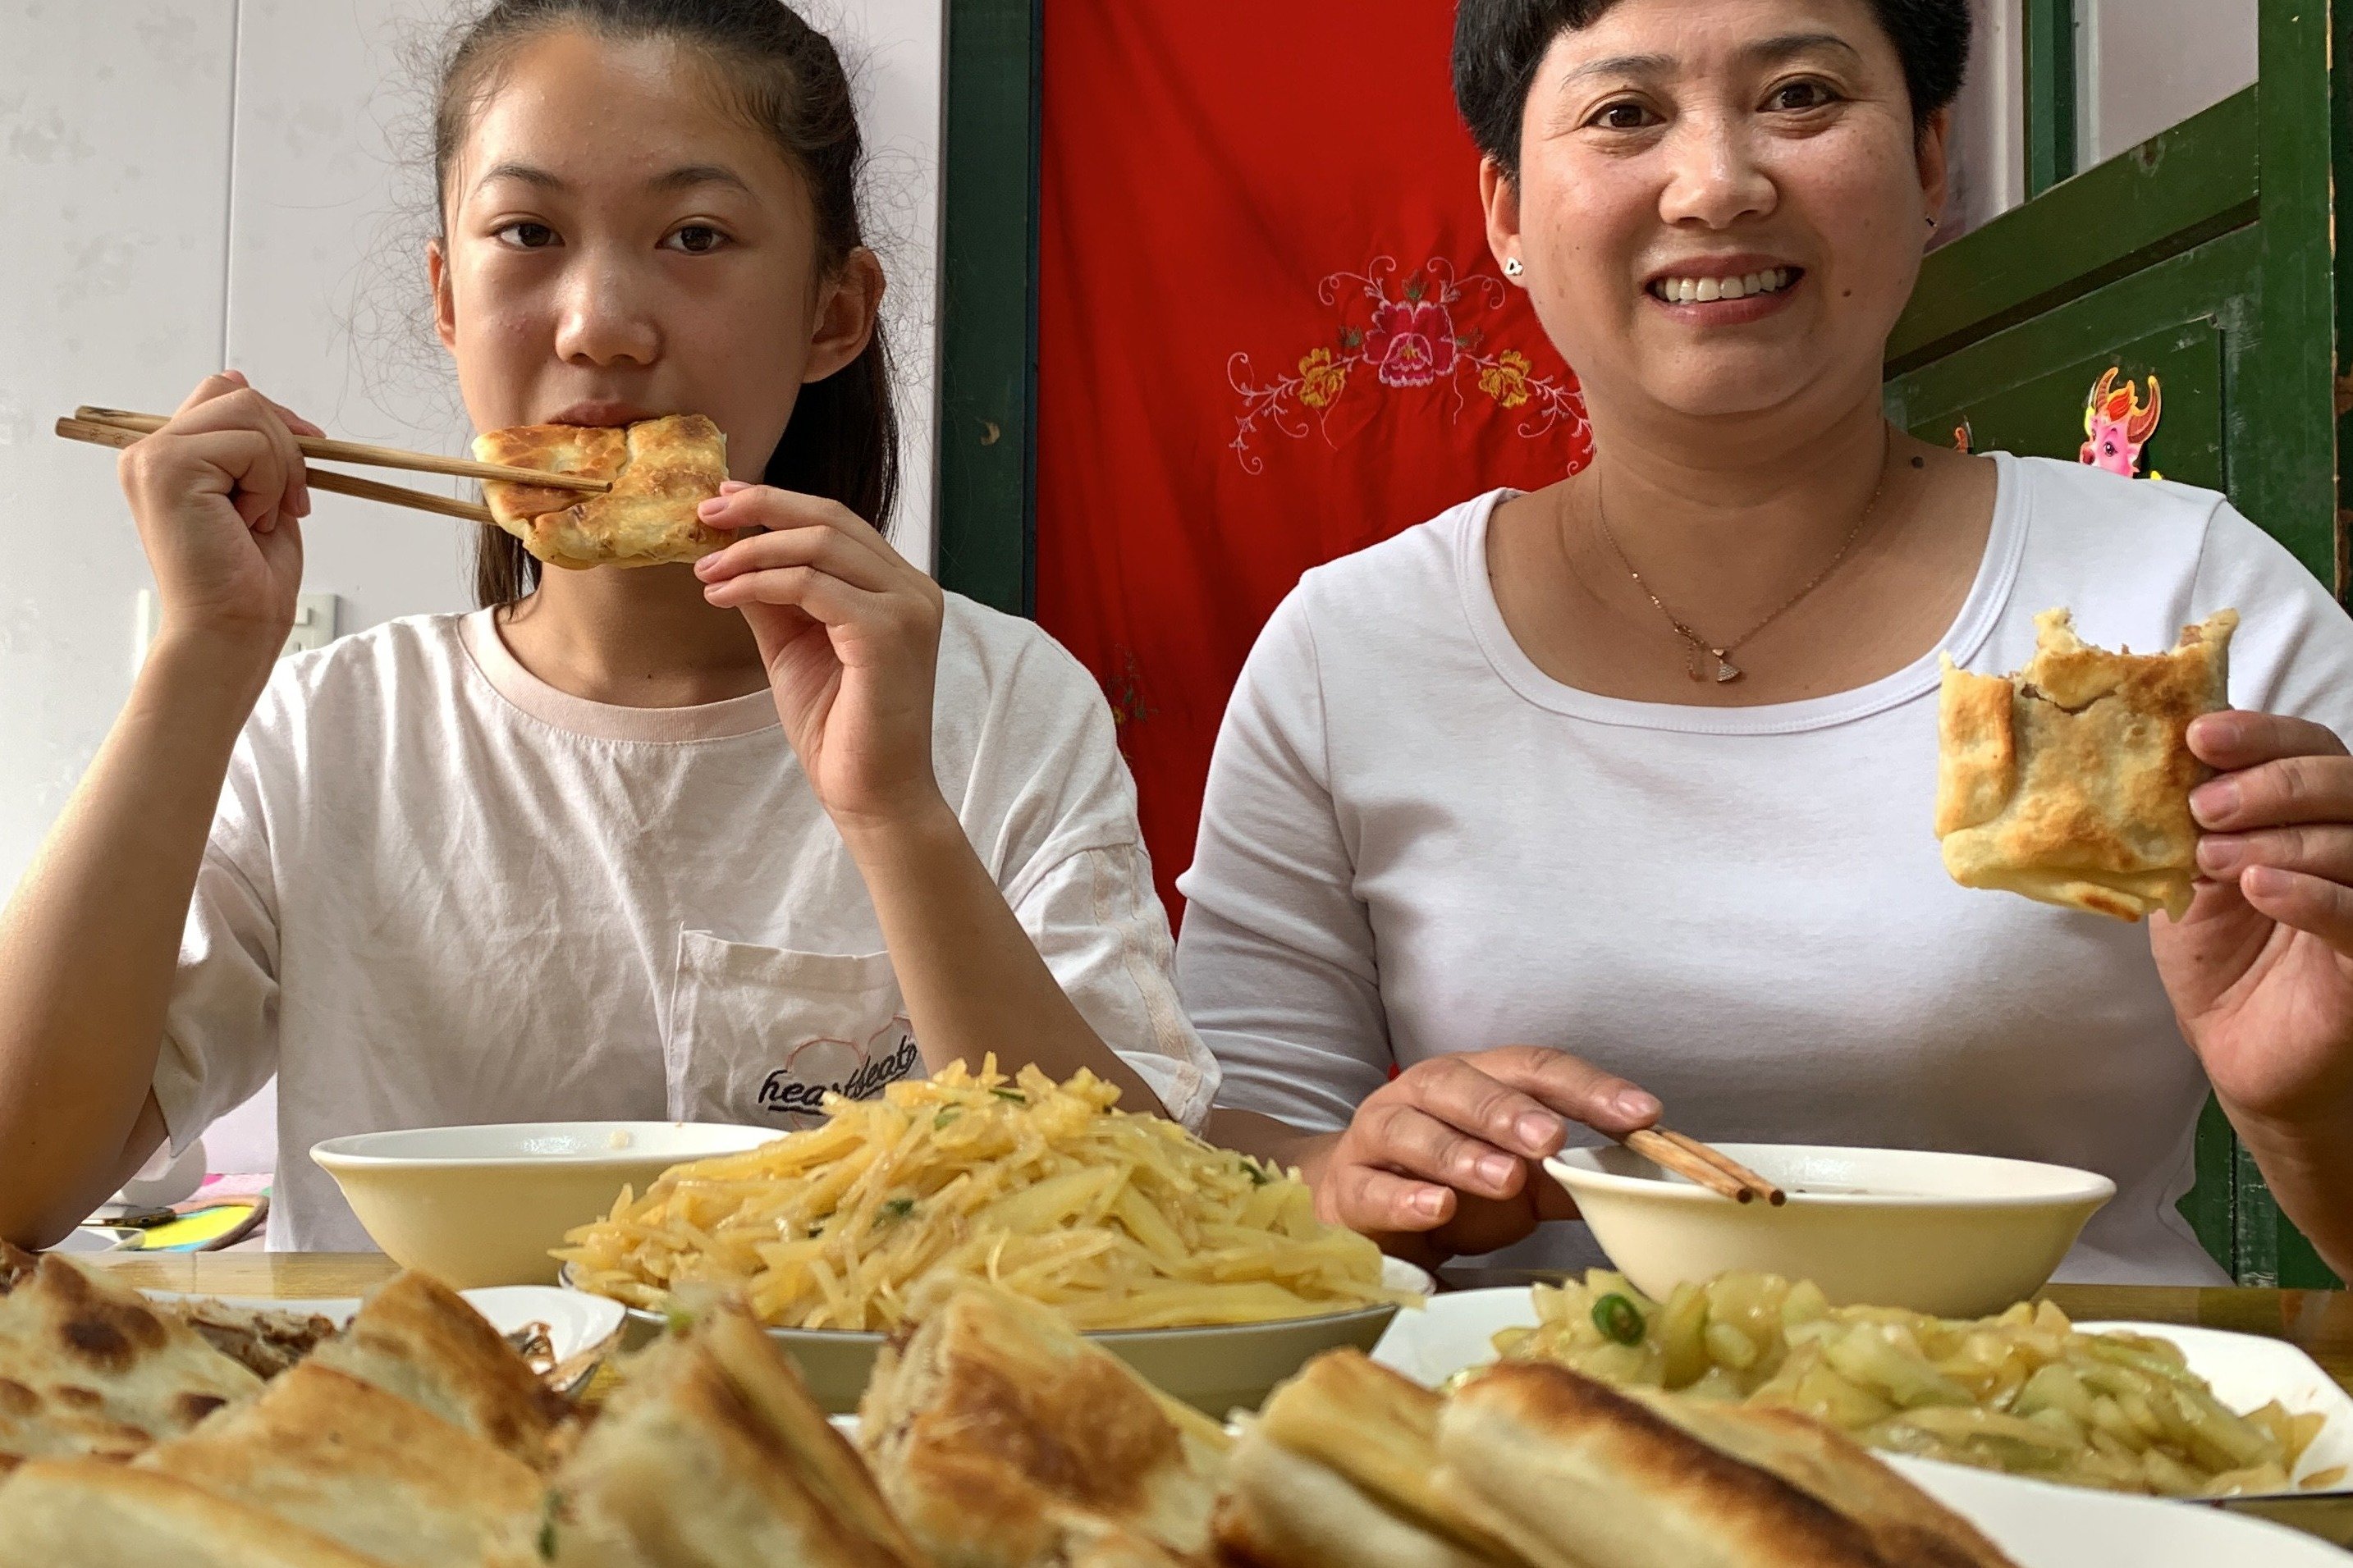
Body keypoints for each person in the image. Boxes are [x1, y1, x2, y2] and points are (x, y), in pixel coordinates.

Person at [0, 0, 1210, 1252]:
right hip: (416, 1428)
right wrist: (198, 665)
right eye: (526, 232)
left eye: (695, 235)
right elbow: (14, 1186)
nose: (600, 325)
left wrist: (894, 814)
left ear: (833, 316)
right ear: (449, 298)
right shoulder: (327, 734)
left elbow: (1143, 1235)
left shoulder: (1003, 706)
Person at [1181, 0, 2353, 1283]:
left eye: (1799, 96)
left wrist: (2307, 1106)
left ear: (1924, 165)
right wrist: (1361, 1184)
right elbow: (1240, 1166)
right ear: (1507, 213)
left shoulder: (2175, 591)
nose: (1717, 186)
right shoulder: (1353, 650)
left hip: (2099, 1448)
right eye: (1625, 114)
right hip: (1530, 1456)